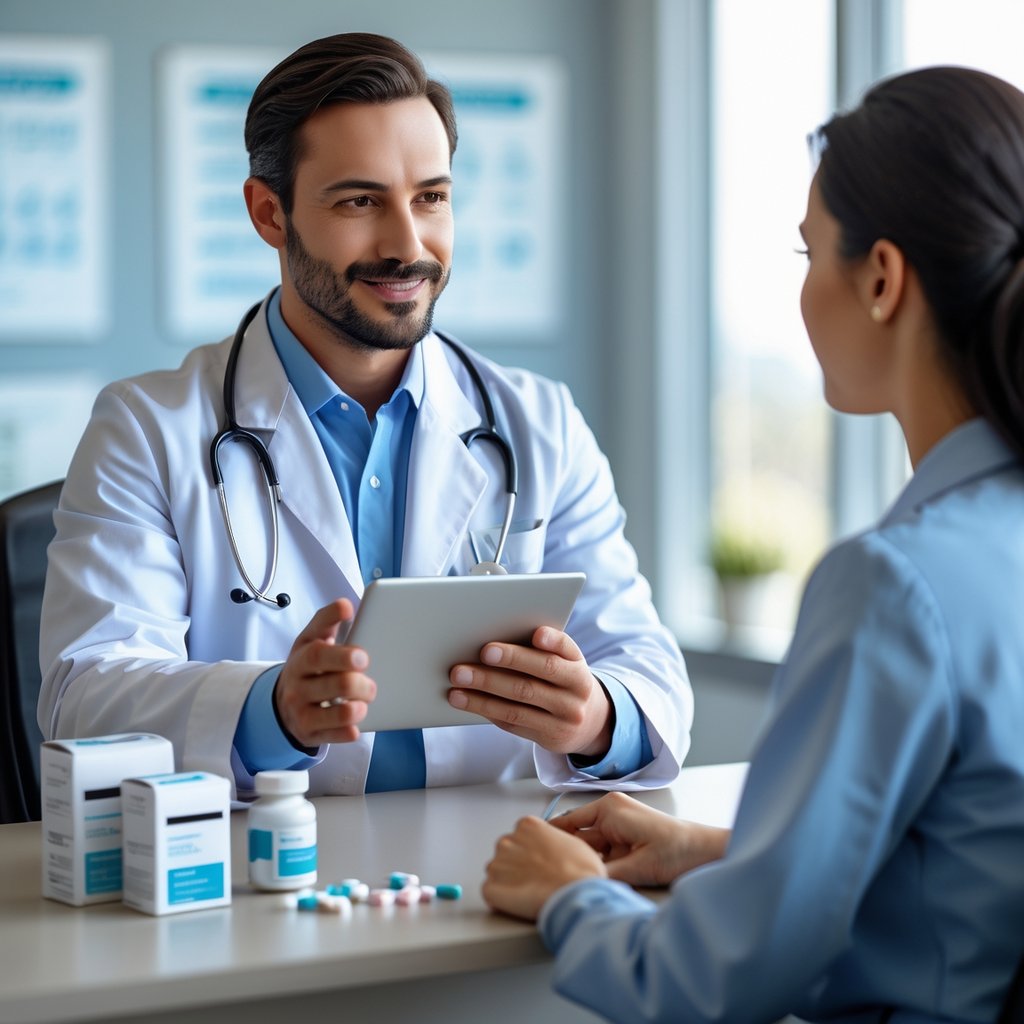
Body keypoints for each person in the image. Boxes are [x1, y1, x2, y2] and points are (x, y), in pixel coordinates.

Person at [483, 65, 1024, 1022]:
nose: (805, 291)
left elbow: (714, 982)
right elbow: (974, 861)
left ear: (884, 279)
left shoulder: (895, 585)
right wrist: (727, 853)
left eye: (808, 252)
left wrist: (572, 895)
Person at [37, 33, 692, 799]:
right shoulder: (147, 430)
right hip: (262, 888)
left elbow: (652, 674)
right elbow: (85, 699)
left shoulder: (537, 424)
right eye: (360, 201)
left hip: (498, 874)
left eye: (431, 198)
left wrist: (596, 717)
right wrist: (268, 709)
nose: (408, 245)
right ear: (269, 214)